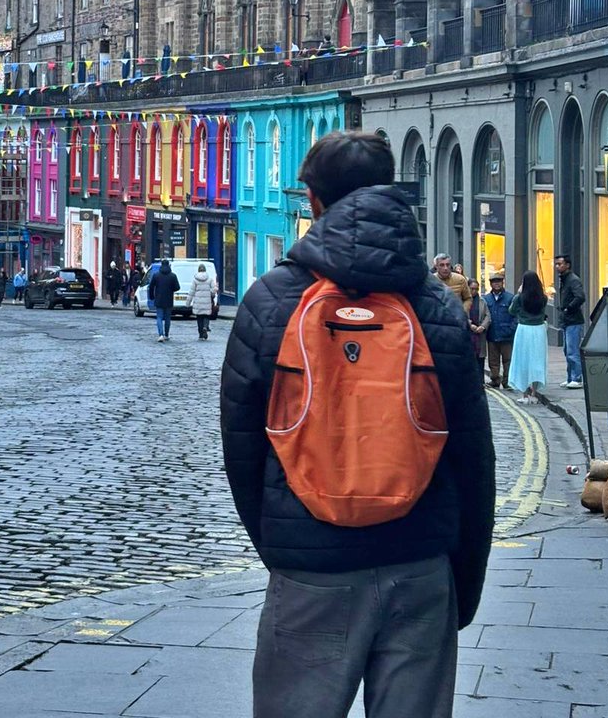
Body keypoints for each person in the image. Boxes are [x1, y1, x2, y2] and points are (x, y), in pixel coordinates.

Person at [220, 131, 494, 718]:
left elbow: (242, 452)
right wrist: (459, 581)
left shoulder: (271, 302)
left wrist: (285, 549)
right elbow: (474, 459)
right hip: (420, 565)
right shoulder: (437, 307)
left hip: (311, 571)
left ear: (315, 202)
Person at [508, 271, 549, 404]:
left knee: (522, 361)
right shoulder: (543, 298)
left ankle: (524, 395)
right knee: (537, 360)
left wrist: (519, 293)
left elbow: (511, 311)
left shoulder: (519, 298)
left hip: (524, 330)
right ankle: (534, 393)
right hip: (539, 330)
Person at [555, 254, 586, 388]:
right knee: (567, 350)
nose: (557, 266)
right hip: (567, 320)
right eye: (556, 264)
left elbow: (580, 297)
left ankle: (577, 378)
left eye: (560, 264)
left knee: (572, 351)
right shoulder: (564, 279)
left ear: (567, 265)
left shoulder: (573, 280)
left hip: (573, 320)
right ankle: (570, 378)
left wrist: (568, 308)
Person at [484, 271, 516, 390]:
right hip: (492, 334)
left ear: (502, 283)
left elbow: (515, 316)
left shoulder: (510, 298)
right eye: (494, 282)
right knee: (493, 361)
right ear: (491, 284)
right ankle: (495, 380)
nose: (497, 284)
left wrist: (511, 329)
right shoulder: (486, 299)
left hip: (506, 334)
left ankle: (507, 381)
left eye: (499, 282)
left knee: (507, 360)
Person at [148, 258, 180, 342]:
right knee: (167, 318)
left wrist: (152, 296)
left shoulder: (156, 275)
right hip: (169, 299)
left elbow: (151, 287)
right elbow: (177, 287)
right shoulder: (173, 276)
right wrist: (171, 289)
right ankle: (166, 334)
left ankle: (160, 334)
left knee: (159, 317)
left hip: (159, 299)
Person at [467, 278, 491, 382]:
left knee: (480, 359)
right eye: (472, 289)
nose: (474, 291)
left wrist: (483, 326)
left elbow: (488, 316)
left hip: (479, 335)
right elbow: (459, 314)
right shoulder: (463, 301)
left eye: (476, 289)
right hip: (468, 334)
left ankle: (480, 381)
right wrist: (470, 324)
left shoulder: (482, 301)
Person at [189, 264, 217, 340]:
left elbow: (192, 292)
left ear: (198, 270)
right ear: (205, 270)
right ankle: (205, 326)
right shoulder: (210, 279)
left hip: (198, 302)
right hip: (207, 301)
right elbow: (214, 289)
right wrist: (211, 294)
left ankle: (201, 335)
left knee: (199, 317)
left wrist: (188, 303)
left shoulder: (195, 280)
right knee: (206, 315)